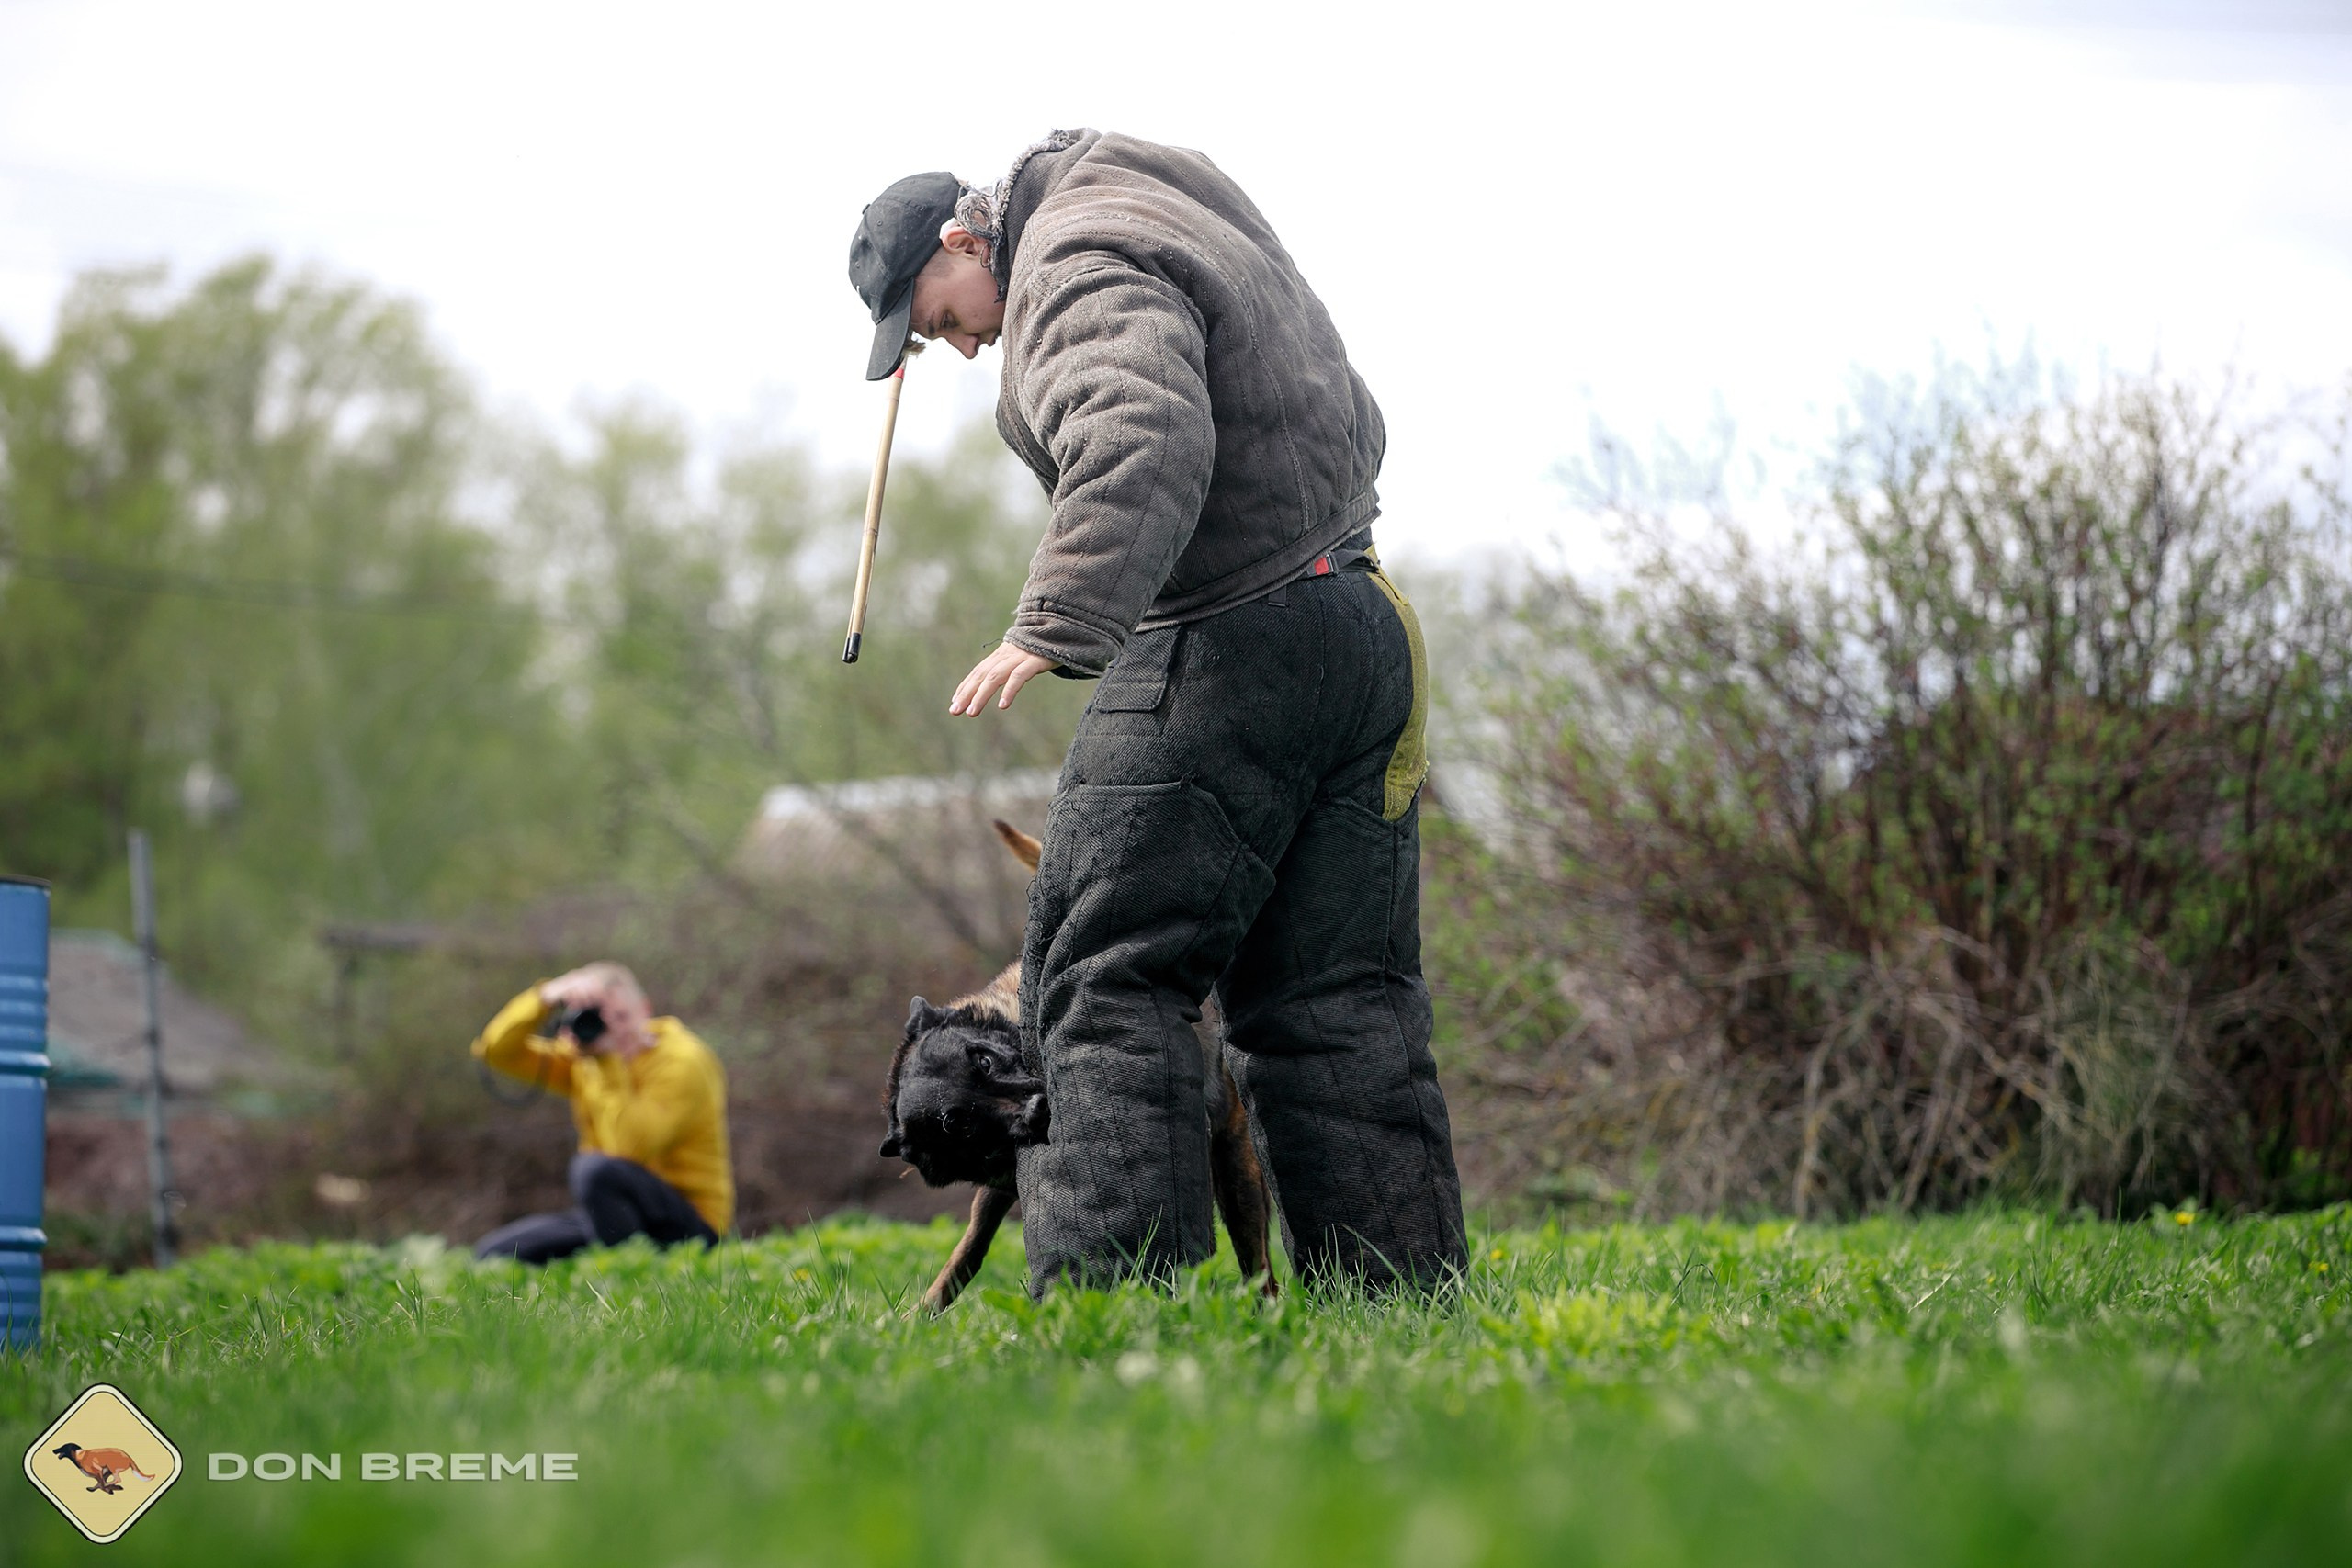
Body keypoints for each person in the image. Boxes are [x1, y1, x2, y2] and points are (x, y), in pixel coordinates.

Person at [846, 130, 1468, 1293]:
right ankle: (1400, 1298)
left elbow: (1141, 428)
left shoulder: (1070, 262)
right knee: (1338, 997)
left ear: (965, 241)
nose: (962, 344)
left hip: (1230, 638)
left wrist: (1053, 620)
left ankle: (1115, 1313)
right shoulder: (1157, 203)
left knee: (1097, 975)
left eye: (937, 319)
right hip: (1359, 621)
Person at [469, 962, 733, 1263]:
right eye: (599, 1019)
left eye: (621, 1017)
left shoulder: (683, 1061)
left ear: (645, 1009)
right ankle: (619, 1265)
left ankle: (630, 1277)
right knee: (496, 1253)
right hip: (617, 1214)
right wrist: (543, 998)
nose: (614, 1030)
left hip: (691, 1225)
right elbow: (496, 1052)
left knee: (593, 1170)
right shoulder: (587, 1057)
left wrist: (607, 1061)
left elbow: (630, 1149)